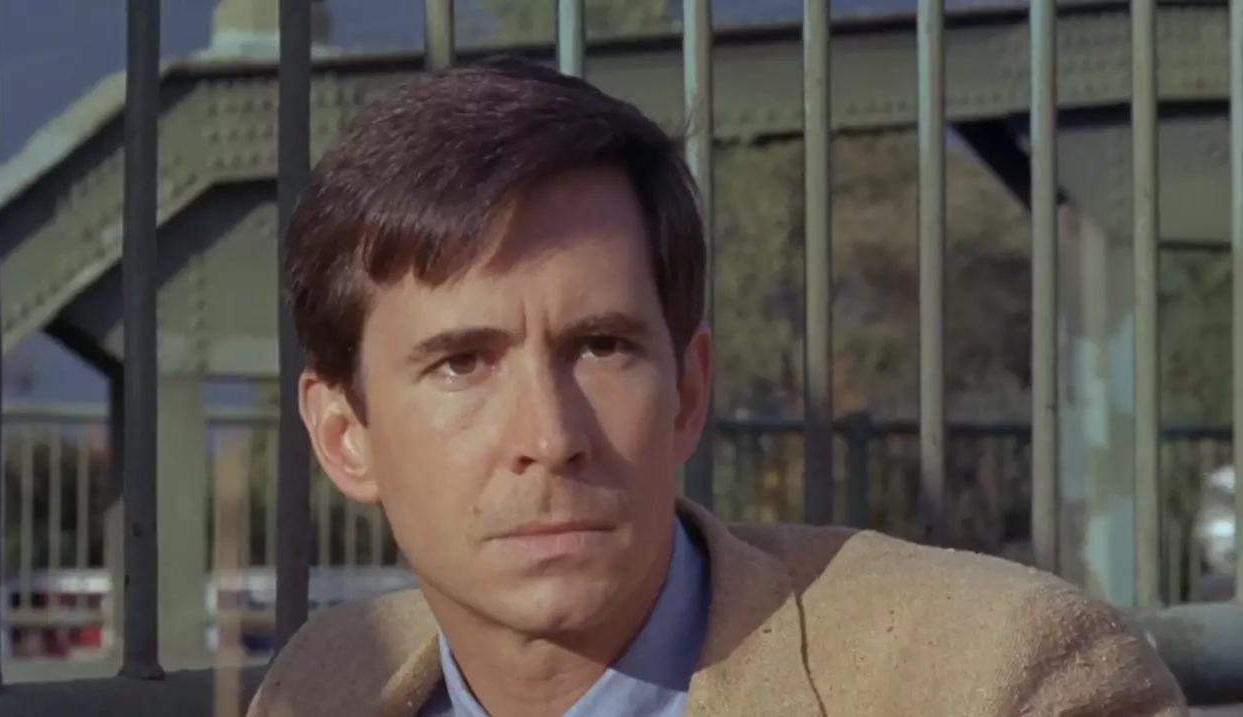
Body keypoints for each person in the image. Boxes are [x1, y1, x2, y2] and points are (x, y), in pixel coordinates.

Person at [247, 57, 1187, 717]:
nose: (549, 435)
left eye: (601, 345)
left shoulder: (1002, 679)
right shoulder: (319, 685)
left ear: (689, 393)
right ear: (343, 437)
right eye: (462, 363)